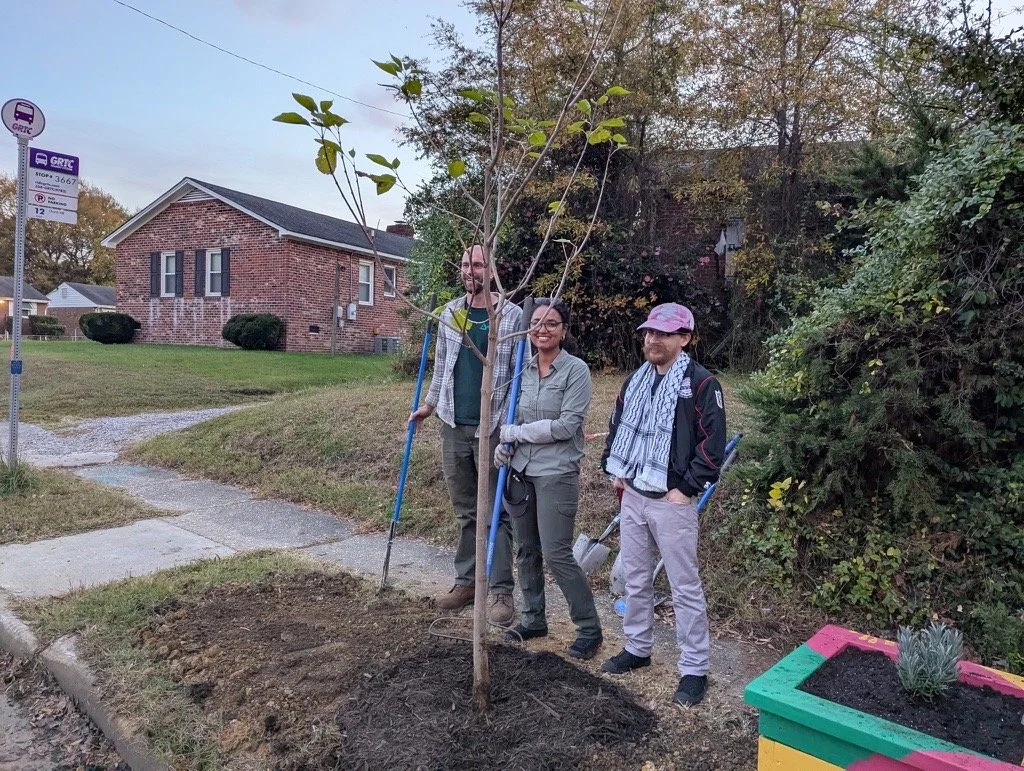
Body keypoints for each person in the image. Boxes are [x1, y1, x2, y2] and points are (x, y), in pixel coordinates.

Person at [599, 302, 726, 706]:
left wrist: (686, 488)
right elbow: (618, 424)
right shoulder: (635, 380)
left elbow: (712, 444)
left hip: (672, 501)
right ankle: (637, 648)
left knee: (684, 587)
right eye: (650, 332)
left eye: (664, 333)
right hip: (634, 495)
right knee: (635, 578)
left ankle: (694, 670)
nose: (653, 339)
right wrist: (613, 466)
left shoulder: (702, 384)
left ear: (685, 338)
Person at [410, 245, 523, 624]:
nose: (469, 270)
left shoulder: (511, 316)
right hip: (453, 425)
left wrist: (509, 426)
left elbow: (515, 377)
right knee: (465, 511)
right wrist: (428, 406)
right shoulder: (451, 313)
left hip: (491, 428)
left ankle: (501, 592)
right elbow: (442, 368)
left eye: (477, 264)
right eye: (464, 263)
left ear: (492, 271)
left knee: (495, 513)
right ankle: (466, 583)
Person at [494, 298, 603, 659]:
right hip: (521, 471)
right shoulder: (520, 371)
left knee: (556, 553)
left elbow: (566, 427)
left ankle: (589, 628)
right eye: (537, 322)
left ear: (563, 330)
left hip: (557, 472)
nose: (542, 328)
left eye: (551, 323)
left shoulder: (576, 371)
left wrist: (517, 433)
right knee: (526, 550)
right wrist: (505, 448)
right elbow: (513, 419)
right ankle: (534, 618)